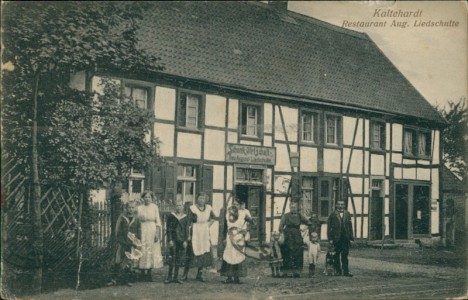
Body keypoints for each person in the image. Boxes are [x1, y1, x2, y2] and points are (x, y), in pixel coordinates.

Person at [182, 192, 217, 282]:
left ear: (206, 200)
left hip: (204, 232)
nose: (201, 200)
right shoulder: (192, 208)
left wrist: (208, 225)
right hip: (195, 231)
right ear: (197, 199)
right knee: (191, 252)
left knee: (204, 252)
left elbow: (214, 217)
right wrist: (188, 235)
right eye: (200, 198)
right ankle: (185, 274)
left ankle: (199, 274)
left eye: (203, 198)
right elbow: (188, 222)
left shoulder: (208, 208)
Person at [219, 197, 254, 284]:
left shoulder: (243, 214)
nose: (235, 206)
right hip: (230, 236)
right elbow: (224, 227)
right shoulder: (228, 214)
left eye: (237, 204)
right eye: (234, 204)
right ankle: (229, 277)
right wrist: (223, 238)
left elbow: (253, 223)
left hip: (239, 237)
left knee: (238, 255)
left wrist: (246, 230)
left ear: (240, 206)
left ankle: (237, 277)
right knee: (229, 255)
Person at [111, 201, 142, 286]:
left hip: (131, 244)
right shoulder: (122, 217)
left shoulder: (137, 219)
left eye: (132, 208)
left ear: (135, 208)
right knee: (118, 260)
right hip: (122, 243)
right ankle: (114, 279)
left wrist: (136, 242)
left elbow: (139, 232)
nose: (131, 209)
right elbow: (118, 231)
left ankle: (127, 280)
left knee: (129, 261)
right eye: (129, 207)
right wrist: (120, 240)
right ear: (126, 208)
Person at [279, 201, 311, 278]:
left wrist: (305, 228)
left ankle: (297, 272)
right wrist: (282, 234)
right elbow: (281, 226)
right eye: (292, 207)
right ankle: (285, 272)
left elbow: (309, 222)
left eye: (295, 207)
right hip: (288, 235)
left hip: (297, 235)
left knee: (298, 252)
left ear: (297, 208)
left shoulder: (300, 216)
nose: (293, 209)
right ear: (290, 208)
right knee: (287, 253)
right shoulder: (285, 216)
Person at [137, 191, 163, 281]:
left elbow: (158, 221)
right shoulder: (139, 208)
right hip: (142, 229)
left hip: (152, 230)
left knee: (151, 249)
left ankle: (149, 272)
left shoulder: (154, 207)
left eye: (149, 197)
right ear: (143, 198)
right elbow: (137, 220)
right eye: (146, 197)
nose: (147, 199)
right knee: (142, 249)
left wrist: (157, 233)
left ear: (152, 198)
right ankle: (142, 272)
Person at [327, 199, 354, 277]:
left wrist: (351, 238)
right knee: (336, 255)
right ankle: (338, 271)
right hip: (336, 238)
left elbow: (350, 227)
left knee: (345, 255)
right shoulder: (332, 214)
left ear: (344, 205)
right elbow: (329, 228)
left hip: (345, 238)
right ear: (336, 205)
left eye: (342, 204)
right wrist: (330, 239)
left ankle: (346, 271)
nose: (340, 206)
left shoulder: (347, 214)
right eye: (339, 204)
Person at [164, 200, 189, 284]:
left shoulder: (185, 217)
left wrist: (185, 240)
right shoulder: (172, 216)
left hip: (181, 240)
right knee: (172, 257)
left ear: (183, 206)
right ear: (175, 207)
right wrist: (170, 239)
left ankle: (176, 277)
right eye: (177, 205)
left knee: (179, 258)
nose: (178, 207)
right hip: (173, 240)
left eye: (180, 205)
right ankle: (169, 277)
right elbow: (168, 229)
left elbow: (186, 230)